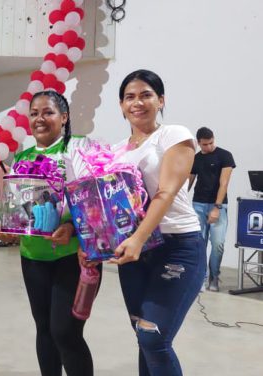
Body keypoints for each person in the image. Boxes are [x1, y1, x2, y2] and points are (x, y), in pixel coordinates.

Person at [105, 69, 205, 376]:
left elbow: (166, 192)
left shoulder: (174, 135)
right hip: (136, 254)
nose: (138, 102)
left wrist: (137, 238)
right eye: (129, 97)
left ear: (160, 100)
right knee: (142, 335)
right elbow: (109, 207)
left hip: (177, 245)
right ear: (121, 105)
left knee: (153, 335)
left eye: (146, 95)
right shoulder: (115, 150)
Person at [0, 90, 99, 376]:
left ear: (64, 117)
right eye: (34, 113)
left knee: (65, 332)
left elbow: (96, 205)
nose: (40, 119)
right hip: (33, 257)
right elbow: (19, 209)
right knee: (44, 329)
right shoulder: (23, 157)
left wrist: (72, 230)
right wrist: (8, 228)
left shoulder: (80, 149)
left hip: (72, 257)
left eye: (48, 112)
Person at [188, 127, 235, 292]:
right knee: (199, 243)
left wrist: (217, 207)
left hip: (218, 205)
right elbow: (189, 182)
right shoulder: (196, 158)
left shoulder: (225, 156)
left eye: (211, 143)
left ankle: (214, 278)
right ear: (199, 143)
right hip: (198, 205)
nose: (208, 147)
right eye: (205, 144)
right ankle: (201, 278)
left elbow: (224, 183)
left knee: (217, 244)